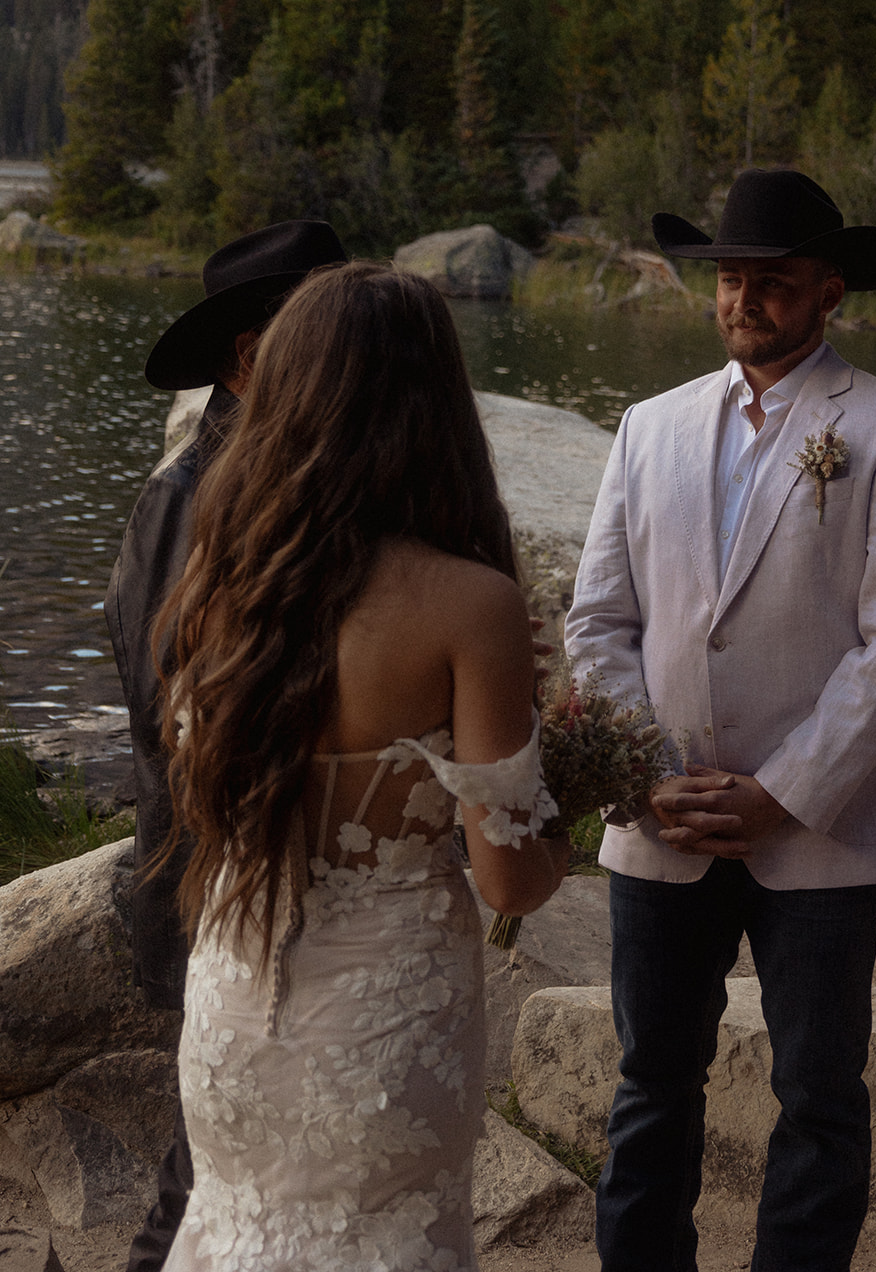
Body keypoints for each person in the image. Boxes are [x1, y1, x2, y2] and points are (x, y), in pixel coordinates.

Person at [564, 168, 876, 1272]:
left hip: (821, 828)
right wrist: (645, 772)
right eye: (730, 279)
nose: (744, 299)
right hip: (661, 820)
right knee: (648, 1082)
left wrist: (780, 790)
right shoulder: (645, 427)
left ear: (829, 292)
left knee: (819, 1095)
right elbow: (597, 620)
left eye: (772, 282)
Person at [153, 260, 569, 1271]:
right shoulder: (470, 605)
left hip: (236, 998)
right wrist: (563, 797)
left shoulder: (220, 575)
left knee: (234, 1225)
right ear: (437, 404)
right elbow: (510, 876)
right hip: (386, 1030)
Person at [105, 219, 345, 1272]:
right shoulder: (190, 500)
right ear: (252, 357)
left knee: (237, 1157)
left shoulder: (276, 482)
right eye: (320, 332)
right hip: (219, 881)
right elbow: (182, 727)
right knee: (205, 1169)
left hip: (267, 881)